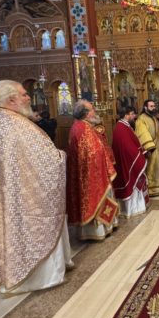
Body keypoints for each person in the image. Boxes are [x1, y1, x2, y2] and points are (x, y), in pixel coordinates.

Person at [0, 80, 73, 295]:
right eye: (23, 94)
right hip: (24, 193)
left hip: (18, 190)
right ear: (11, 99)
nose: (28, 97)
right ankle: (39, 278)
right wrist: (60, 157)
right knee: (28, 227)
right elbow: (38, 158)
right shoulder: (10, 122)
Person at [67, 100, 119, 240]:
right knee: (96, 198)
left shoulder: (83, 126)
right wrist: (105, 165)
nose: (94, 111)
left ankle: (106, 226)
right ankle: (97, 231)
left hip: (94, 171)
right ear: (85, 114)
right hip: (92, 175)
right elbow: (92, 154)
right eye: (92, 109)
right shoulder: (82, 129)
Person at [112, 106, 149, 217]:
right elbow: (127, 149)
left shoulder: (124, 126)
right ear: (126, 115)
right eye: (132, 114)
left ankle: (137, 207)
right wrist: (140, 157)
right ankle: (133, 209)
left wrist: (141, 150)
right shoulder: (121, 128)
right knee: (131, 183)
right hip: (128, 163)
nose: (134, 116)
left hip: (128, 161)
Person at [135, 99, 159, 197]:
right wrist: (149, 147)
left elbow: (158, 130)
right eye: (151, 106)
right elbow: (142, 133)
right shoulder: (141, 119)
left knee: (158, 165)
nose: (154, 108)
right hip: (150, 147)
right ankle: (151, 188)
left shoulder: (153, 117)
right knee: (152, 166)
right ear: (145, 107)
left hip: (157, 145)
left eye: (154, 106)